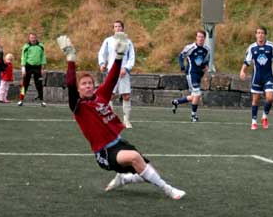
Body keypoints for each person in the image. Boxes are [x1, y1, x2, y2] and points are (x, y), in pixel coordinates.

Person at [59, 34, 185, 200]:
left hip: (119, 143)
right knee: (135, 158)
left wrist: (119, 57)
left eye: (90, 83)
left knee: (146, 169)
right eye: (84, 84)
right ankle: (168, 190)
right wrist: (70, 59)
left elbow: (111, 79)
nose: (88, 86)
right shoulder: (78, 106)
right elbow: (69, 83)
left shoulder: (100, 96)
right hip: (104, 152)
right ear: (79, 89)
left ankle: (125, 178)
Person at [239, 26, 273, 130]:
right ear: (256, 35)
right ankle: (254, 121)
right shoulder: (251, 48)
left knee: (270, 98)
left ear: (265, 35)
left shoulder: (271, 46)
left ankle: (264, 116)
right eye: (258, 33)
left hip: (269, 76)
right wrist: (242, 71)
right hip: (257, 77)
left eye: (262, 33)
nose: (260, 35)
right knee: (255, 100)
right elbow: (247, 62)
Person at [98, 20, 136, 128]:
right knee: (110, 95)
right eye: (115, 26)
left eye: (119, 26)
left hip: (124, 73)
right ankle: (111, 119)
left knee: (126, 96)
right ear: (113, 29)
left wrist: (126, 68)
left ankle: (126, 120)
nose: (117, 28)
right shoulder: (108, 41)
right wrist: (102, 64)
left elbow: (132, 57)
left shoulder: (128, 42)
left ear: (122, 28)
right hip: (111, 72)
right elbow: (102, 53)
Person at [172, 30, 210, 122]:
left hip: (199, 74)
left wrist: (206, 67)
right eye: (199, 36)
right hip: (191, 73)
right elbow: (181, 56)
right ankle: (193, 116)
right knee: (197, 93)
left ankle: (176, 101)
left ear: (204, 38)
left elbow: (206, 60)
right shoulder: (190, 47)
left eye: (202, 37)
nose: (200, 38)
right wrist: (182, 66)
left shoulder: (207, 49)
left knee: (194, 96)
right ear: (196, 38)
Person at [18, 33, 46, 107]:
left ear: (36, 38)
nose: (33, 39)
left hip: (38, 67)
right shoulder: (26, 46)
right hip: (28, 67)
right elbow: (23, 57)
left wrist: (43, 68)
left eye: (34, 37)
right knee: (25, 84)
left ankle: (42, 101)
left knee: (39, 84)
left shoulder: (41, 46)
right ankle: (21, 100)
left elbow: (43, 57)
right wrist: (23, 68)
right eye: (31, 38)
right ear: (29, 38)